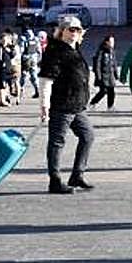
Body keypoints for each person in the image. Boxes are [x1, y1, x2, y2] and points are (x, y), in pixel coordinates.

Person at [38, 15, 94, 195]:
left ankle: (77, 175)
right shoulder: (55, 51)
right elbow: (46, 80)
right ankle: (54, 181)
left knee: (88, 136)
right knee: (56, 143)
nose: (74, 33)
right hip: (62, 105)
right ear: (61, 31)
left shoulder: (74, 50)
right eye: (70, 29)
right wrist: (44, 105)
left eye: (77, 30)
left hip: (77, 106)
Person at [90, 34, 118, 110]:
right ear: (106, 42)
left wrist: (116, 74)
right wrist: (98, 76)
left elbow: (114, 63)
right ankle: (93, 102)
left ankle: (110, 106)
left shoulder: (112, 51)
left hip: (110, 75)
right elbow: (97, 65)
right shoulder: (101, 51)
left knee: (111, 91)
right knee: (103, 91)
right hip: (103, 75)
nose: (113, 43)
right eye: (111, 41)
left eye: (113, 41)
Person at [20, 28, 41, 99]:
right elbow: (39, 51)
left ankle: (21, 92)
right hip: (33, 60)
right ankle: (37, 91)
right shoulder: (36, 40)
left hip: (26, 60)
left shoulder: (24, 40)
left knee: (24, 76)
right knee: (33, 76)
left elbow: (21, 50)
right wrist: (38, 60)